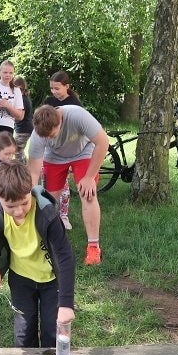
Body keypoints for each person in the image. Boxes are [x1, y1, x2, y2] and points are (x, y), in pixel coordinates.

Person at [0, 160, 76, 348]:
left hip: (52, 281)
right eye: (11, 206)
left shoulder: (47, 215)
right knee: (24, 334)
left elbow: (65, 257)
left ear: (30, 189)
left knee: (53, 332)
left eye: (24, 203)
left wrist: (66, 303)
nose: (19, 211)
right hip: (21, 281)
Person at [28, 104, 109, 265]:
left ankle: (93, 247)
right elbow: (34, 172)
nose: (49, 139)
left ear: (59, 122)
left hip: (83, 152)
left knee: (88, 193)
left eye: (51, 135)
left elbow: (103, 142)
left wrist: (89, 177)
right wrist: (30, 194)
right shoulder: (37, 135)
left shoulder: (78, 116)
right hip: (54, 157)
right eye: (46, 137)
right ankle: (44, 241)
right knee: (48, 201)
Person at [43, 71, 83, 230]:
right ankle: (48, 217)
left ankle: (64, 216)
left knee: (64, 187)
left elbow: (79, 128)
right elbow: (42, 123)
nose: (54, 92)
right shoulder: (48, 101)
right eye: (52, 88)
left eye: (57, 88)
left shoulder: (74, 103)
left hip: (67, 150)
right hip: (49, 149)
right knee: (48, 186)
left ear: (67, 86)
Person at [13, 75, 34, 157]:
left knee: (17, 151)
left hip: (23, 129)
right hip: (24, 128)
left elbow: (20, 116)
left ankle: (21, 165)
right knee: (19, 151)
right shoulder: (24, 97)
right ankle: (23, 164)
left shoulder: (22, 99)